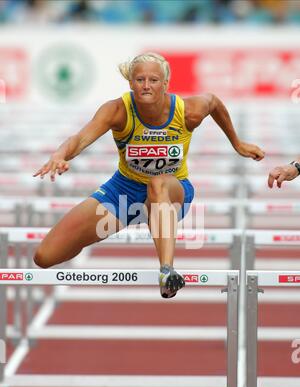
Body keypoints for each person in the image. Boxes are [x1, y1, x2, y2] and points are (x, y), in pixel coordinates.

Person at [33, 52, 265, 299]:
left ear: (165, 84)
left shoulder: (188, 112)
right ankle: (88, 237)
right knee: (45, 257)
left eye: (153, 80)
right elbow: (80, 138)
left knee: (158, 183)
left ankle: (166, 271)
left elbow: (214, 102)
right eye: (140, 79)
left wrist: (237, 143)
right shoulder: (117, 110)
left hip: (172, 190)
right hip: (123, 190)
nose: (146, 86)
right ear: (130, 83)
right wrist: (60, 155)